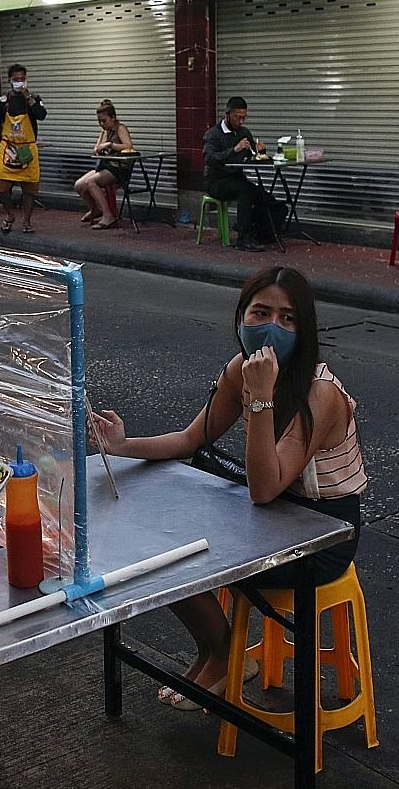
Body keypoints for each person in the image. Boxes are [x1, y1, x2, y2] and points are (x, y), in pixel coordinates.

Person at [91, 266, 366, 707]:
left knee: (182, 561)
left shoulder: (321, 394)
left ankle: (221, 655)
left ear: (305, 328)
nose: (273, 327)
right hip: (270, 512)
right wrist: (123, 445)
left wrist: (260, 397)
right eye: (260, 312)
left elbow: (264, 488)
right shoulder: (241, 368)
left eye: (288, 318)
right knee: (155, 546)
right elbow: (190, 439)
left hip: (322, 530)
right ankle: (219, 650)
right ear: (241, 318)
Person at [202, 97, 277, 252]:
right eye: (238, 117)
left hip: (236, 178)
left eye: (244, 117)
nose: (241, 121)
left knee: (266, 198)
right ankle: (243, 239)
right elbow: (210, 158)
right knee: (246, 191)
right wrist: (234, 150)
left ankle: (259, 232)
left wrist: (260, 151)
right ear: (227, 114)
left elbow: (251, 155)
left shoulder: (244, 132)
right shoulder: (213, 134)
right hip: (216, 181)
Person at [0, 64, 46, 235]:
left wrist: (29, 99)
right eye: (16, 80)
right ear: (9, 80)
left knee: (29, 187)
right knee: (0, 184)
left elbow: (42, 115)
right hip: (8, 148)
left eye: (22, 79)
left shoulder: (33, 98)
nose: (19, 83)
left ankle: (27, 221)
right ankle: (10, 214)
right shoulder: (3, 102)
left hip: (28, 148)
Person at [74, 100, 134, 230]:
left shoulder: (120, 128)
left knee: (91, 183)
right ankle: (96, 209)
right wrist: (97, 149)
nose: (102, 124)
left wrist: (111, 145)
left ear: (113, 118)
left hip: (118, 168)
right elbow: (96, 148)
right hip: (104, 166)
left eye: (104, 121)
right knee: (79, 185)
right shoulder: (104, 132)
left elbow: (129, 146)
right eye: (99, 121)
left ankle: (108, 216)